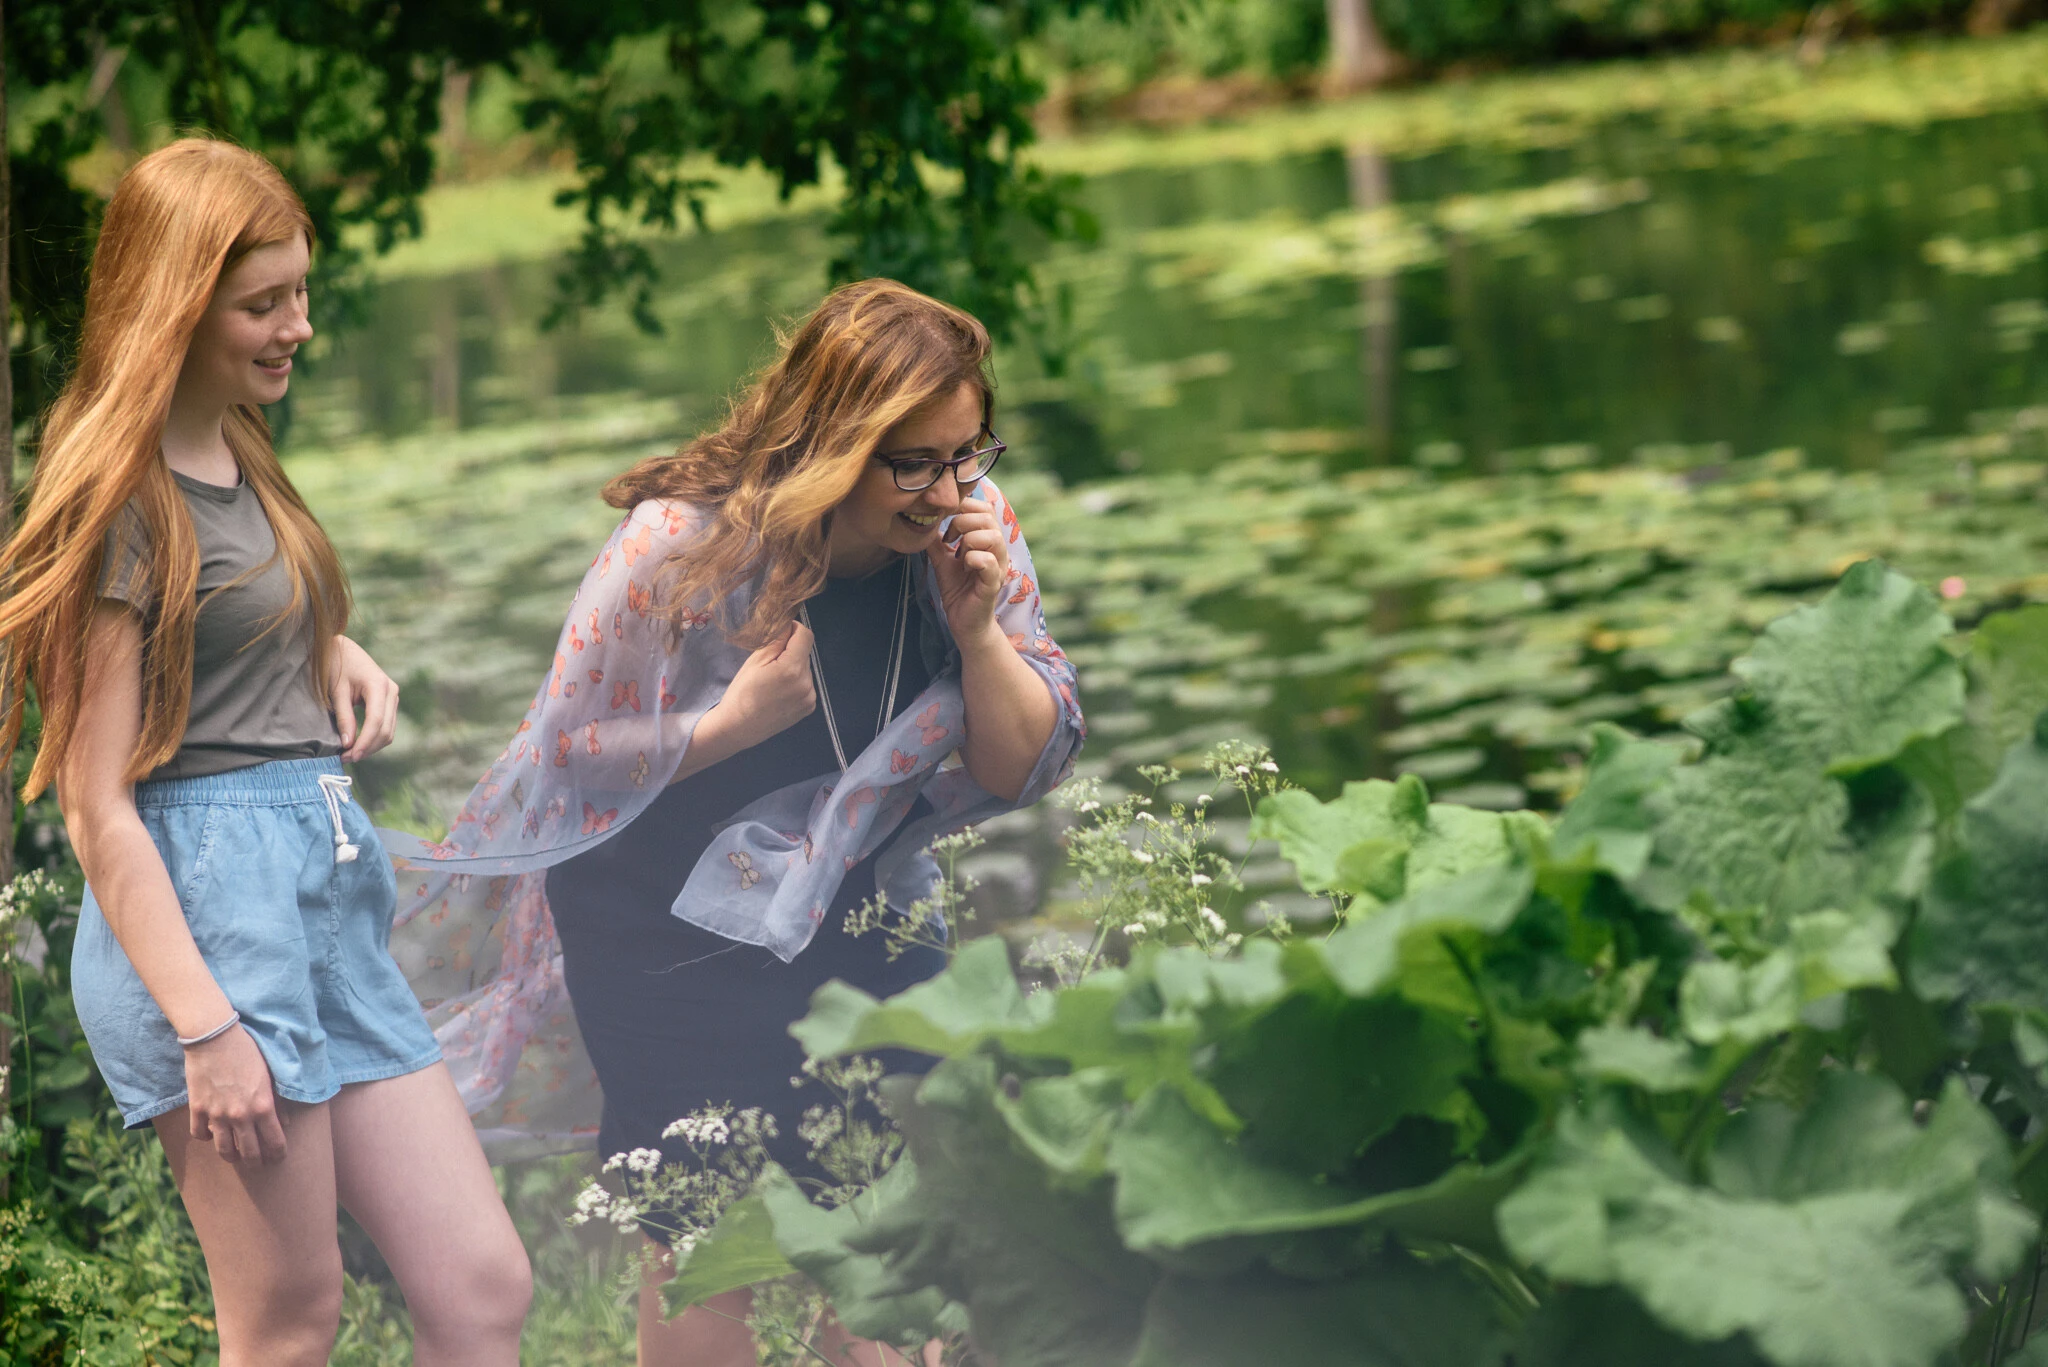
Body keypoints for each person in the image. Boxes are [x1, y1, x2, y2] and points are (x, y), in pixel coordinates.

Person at [384, 279, 1085, 1366]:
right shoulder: (678, 543)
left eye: (967, 451)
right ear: (833, 443)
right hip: (660, 932)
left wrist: (979, 630)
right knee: (714, 1255)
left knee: (892, 1251)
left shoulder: (968, 535)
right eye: (914, 461)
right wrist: (727, 723)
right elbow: (561, 759)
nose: (948, 489)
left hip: (857, 899)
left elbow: (1021, 760)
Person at [0, 139, 532, 1367]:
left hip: (322, 904)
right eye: (263, 302)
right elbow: (95, 804)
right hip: (209, 923)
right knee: (288, 1323)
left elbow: (227, 618)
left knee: (482, 1284)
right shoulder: (118, 503)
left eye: (300, 292)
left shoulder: (235, 443)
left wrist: (327, 644)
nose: (296, 326)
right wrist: (206, 1029)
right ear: (178, 305)